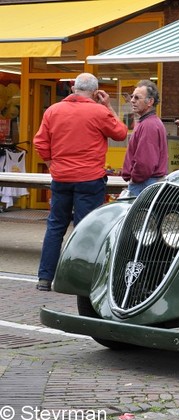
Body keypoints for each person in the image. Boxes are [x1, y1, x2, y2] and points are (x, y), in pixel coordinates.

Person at [33, 73, 128, 291]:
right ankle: (80, 280)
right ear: (95, 92)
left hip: (61, 178)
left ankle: (45, 279)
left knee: (55, 226)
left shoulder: (53, 111)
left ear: (74, 88)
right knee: (86, 228)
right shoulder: (99, 111)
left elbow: (40, 143)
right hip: (89, 178)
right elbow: (121, 133)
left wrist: (51, 165)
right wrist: (108, 106)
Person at [122, 80, 168, 196]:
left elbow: (145, 163)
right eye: (132, 97)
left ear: (150, 101)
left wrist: (135, 178)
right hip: (145, 182)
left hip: (144, 184)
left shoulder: (149, 125)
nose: (132, 100)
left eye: (137, 98)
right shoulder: (148, 122)